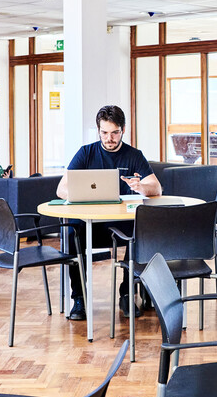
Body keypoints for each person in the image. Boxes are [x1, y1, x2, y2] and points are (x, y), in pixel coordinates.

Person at [56, 105, 161, 321]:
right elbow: (61, 189)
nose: (109, 138)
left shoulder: (134, 155)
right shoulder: (86, 153)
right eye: (104, 133)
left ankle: (126, 292)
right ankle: (79, 298)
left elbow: (157, 188)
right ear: (98, 131)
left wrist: (141, 187)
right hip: (91, 225)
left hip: (122, 225)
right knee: (72, 235)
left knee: (142, 232)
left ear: (123, 130)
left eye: (114, 133)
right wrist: (77, 193)